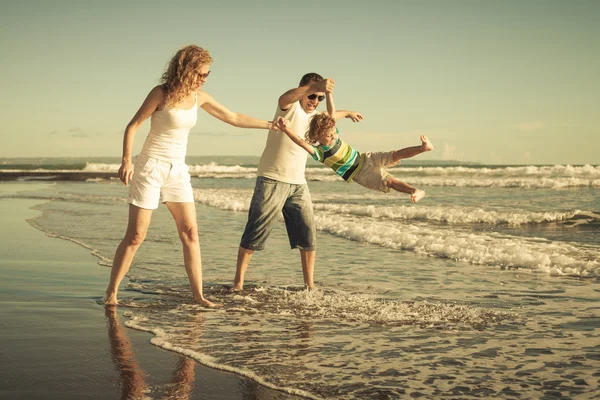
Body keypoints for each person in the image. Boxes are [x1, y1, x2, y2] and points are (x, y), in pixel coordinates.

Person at [104, 45, 279, 308]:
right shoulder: (161, 93)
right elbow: (133, 126)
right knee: (136, 235)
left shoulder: (200, 97)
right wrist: (126, 160)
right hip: (151, 167)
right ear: (186, 69)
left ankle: (198, 295)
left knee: (190, 233)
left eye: (207, 74)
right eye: (202, 73)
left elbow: (233, 117)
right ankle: (112, 293)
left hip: (178, 171)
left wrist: (270, 124)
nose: (205, 78)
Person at [232, 73, 363, 291]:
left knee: (308, 234)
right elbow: (284, 97)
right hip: (272, 179)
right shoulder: (289, 108)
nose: (314, 101)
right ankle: (238, 282)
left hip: (298, 184)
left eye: (319, 98)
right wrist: (314, 87)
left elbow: (332, 115)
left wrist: (347, 113)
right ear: (303, 90)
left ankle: (309, 285)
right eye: (312, 96)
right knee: (255, 232)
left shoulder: (314, 118)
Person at [275, 90, 434, 202]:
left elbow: (332, 112)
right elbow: (301, 142)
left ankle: (423, 148)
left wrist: (329, 93)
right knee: (389, 181)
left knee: (394, 154)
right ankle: (414, 191)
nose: (333, 135)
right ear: (317, 136)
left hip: (365, 158)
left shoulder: (332, 130)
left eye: (333, 132)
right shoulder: (319, 152)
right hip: (360, 174)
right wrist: (286, 129)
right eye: (329, 135)